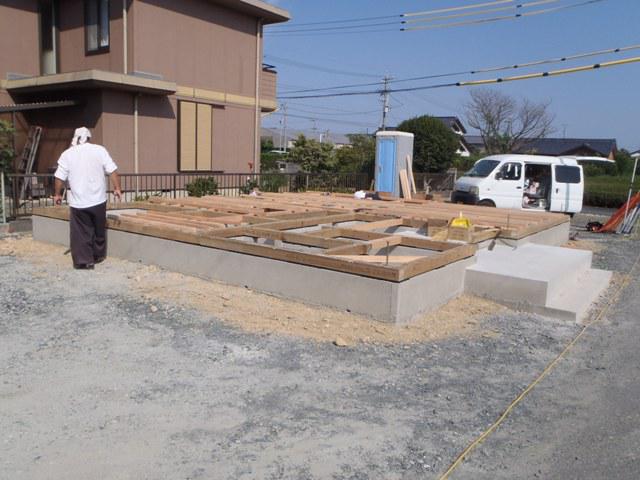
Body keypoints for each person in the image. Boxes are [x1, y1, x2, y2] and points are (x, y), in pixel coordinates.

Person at [53, 127, 122, 269]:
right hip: (98, 199)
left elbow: (59, 177)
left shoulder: (67, 154)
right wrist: (117, 188)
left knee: (80, 232)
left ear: (75, 138)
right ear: (89, 138)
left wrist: (57, 194)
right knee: (98, 228)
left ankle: (84, 261)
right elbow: (112, 170)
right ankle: (98, 255)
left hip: (78, 201)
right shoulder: (100, 150)